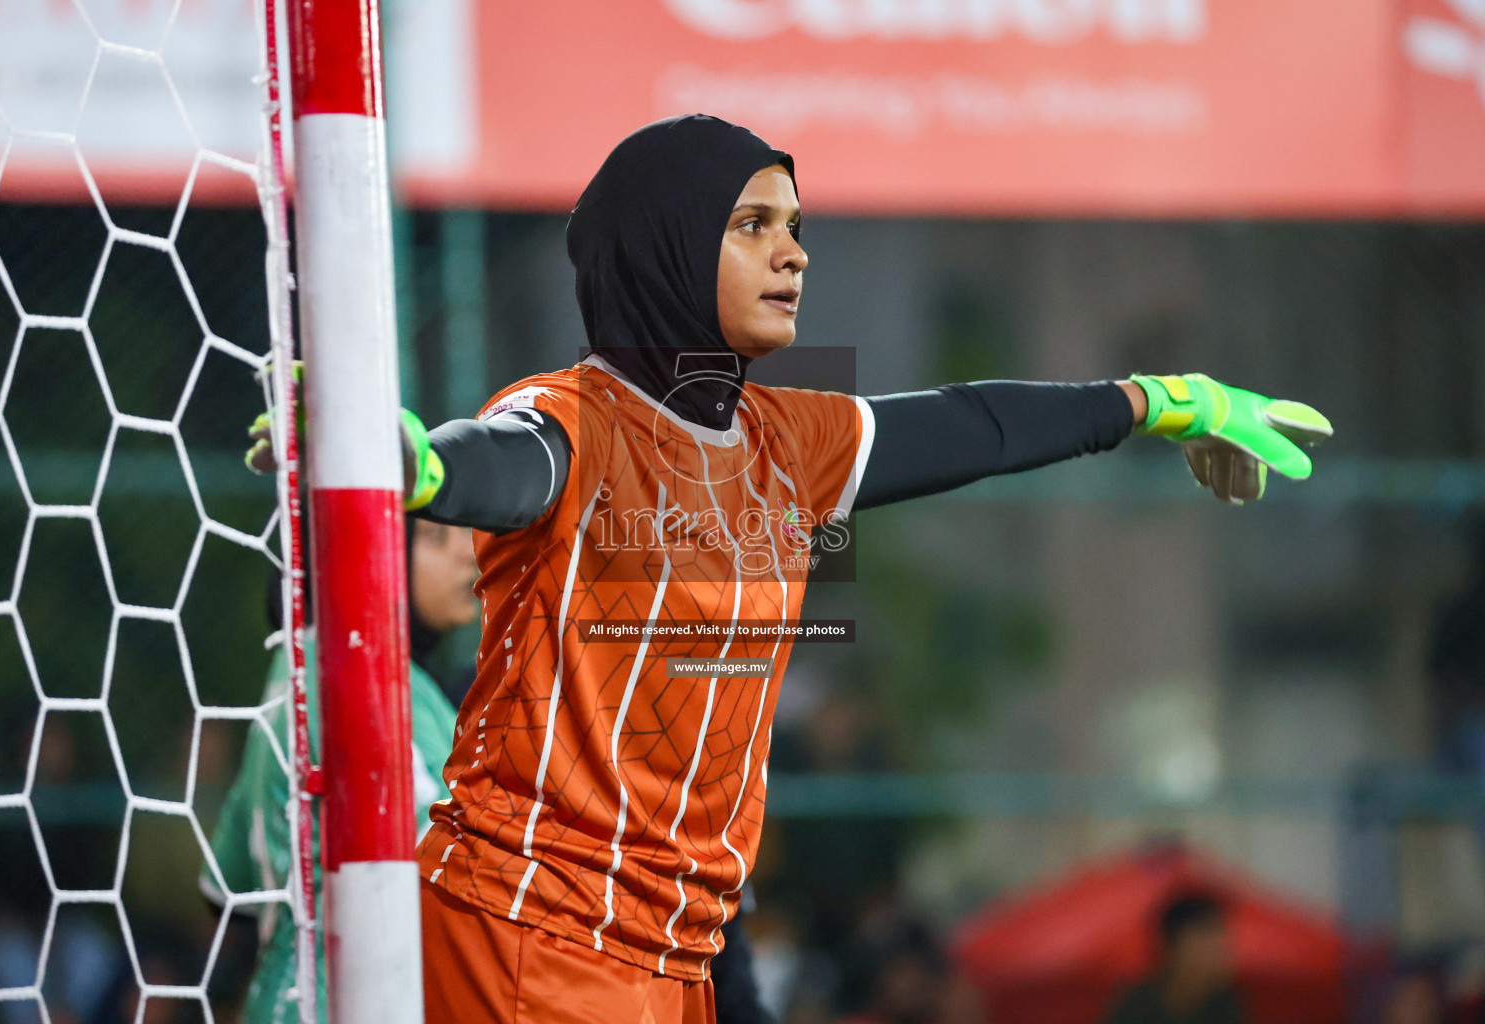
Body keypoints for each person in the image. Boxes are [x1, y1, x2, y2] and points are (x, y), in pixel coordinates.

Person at [251, 115, 1329, 1023]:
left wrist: (1160, 400)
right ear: (667, 245)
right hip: (531, 932)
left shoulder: (785, 439)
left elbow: (973, 423)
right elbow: (506, 465)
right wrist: (418, 464)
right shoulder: (571, 417)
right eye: (753, 225)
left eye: (797, 228)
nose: (794, 252)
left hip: (678, 954)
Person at [201, 519, 479, 1024]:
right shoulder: (375, 686)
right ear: (367, 550)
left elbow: (224, 889)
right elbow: (463, 887)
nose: (470, 551)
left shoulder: (288, 677)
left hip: (279, 1001)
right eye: (436, 536)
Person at [1105, 893, 1245, 1024]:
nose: (1221, 953)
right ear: (1174, 948)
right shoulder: (1137, 1005)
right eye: (1207, 941)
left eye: (1222, 943)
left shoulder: (1225, 1006)